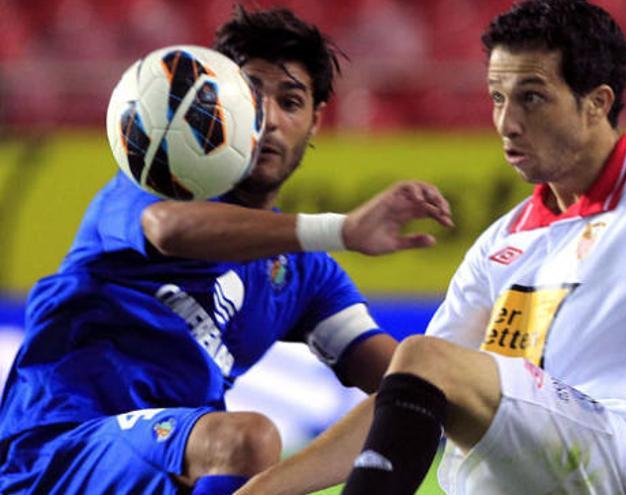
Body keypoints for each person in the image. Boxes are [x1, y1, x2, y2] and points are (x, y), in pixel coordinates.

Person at [237, 1, 626, 494]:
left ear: (597, 103)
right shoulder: (504, 242)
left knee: (429, 358)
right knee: (425, 370)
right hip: (544, 468)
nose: (506, 122)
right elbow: (407, 391)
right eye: (496, 98)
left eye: (532, 97)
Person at [0, 6, 452, 495]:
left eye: (292, 102)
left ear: (316, 121)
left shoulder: (305, 276)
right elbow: (168, 228)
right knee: (247, 439)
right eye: (253, 94)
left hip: (170, 465)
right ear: (219, 102)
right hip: (55, 450)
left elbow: (406, 387)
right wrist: (340, 230)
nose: (271, 120)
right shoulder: (155, 180)